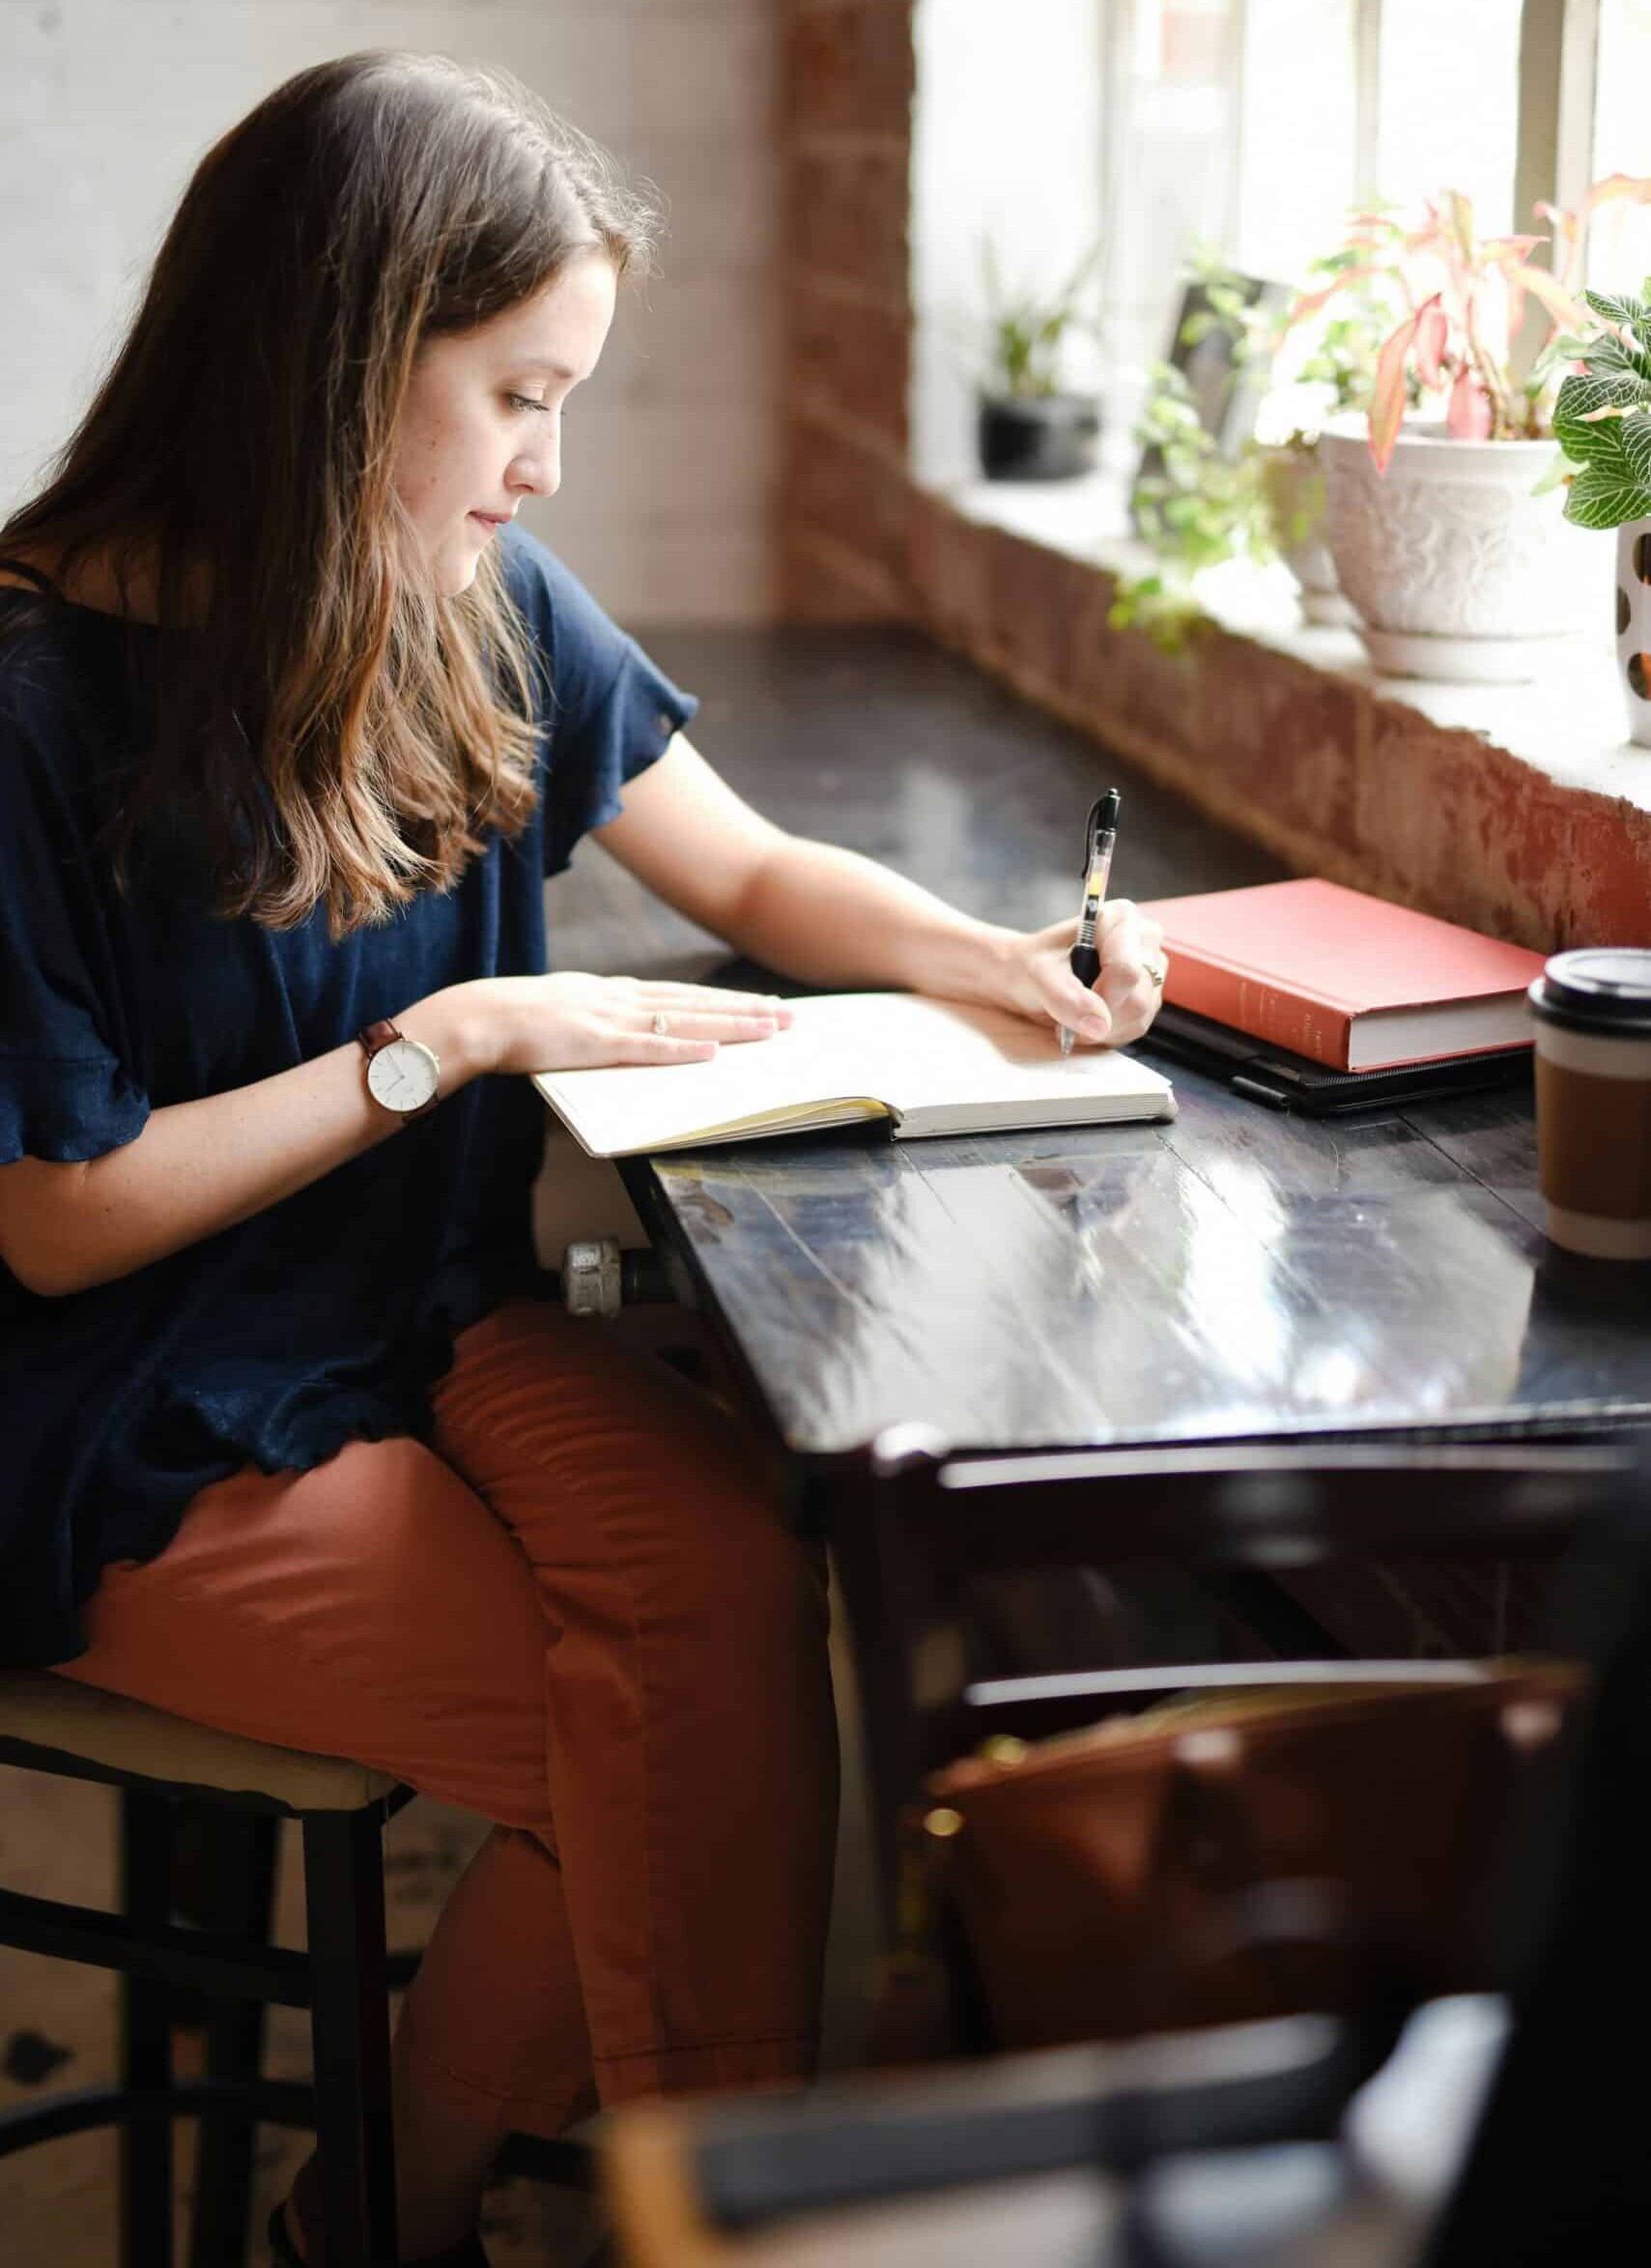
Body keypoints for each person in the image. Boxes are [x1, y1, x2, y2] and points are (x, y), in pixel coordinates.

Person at [0, 49, 1167, 2267]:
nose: (547, 465)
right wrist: (449, 1040)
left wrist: (1003, 958)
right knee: (650, 1740)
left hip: (416, 1315)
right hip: (114, 1400)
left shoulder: (464, 595)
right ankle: (598, 2221)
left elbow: (752, 867)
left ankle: (428, 2212)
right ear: (339, 367)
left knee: (737, 1575)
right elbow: (56, 1227)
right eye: (520, 393)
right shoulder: (30, 705)